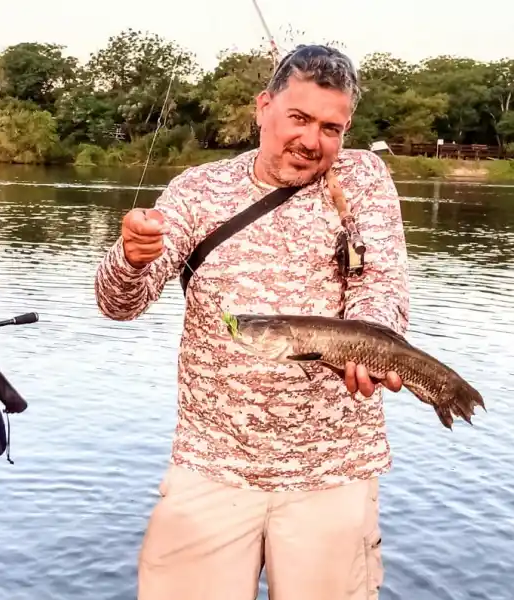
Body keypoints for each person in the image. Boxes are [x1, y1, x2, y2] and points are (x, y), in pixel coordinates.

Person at [94, 44, 410, 600]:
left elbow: (381, 287)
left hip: (332, 467)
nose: (312, 140)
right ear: (263, 107)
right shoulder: (199, 189)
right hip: (211, 463)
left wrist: (367, 347)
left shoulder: (362, 179)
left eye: (331, 128)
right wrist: (132, 259)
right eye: (299, 118)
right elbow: (121, 304)